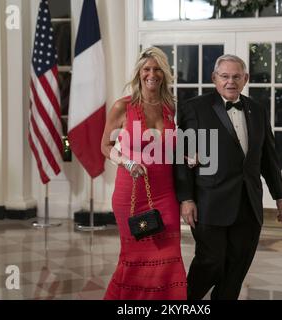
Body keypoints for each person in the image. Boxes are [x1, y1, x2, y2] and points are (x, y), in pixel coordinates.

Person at [174, 54, 282, 300]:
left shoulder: (257, 110)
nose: (230, 82)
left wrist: (280, 196)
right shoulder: (194, 108)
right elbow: (183, 159)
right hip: (209, 202)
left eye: (236, 76)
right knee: (211, 260)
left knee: (238, 266)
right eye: (225, 76)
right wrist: (186, 198)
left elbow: (268, 157)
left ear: (245, 79)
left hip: (248, 203)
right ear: (214, 78)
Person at [101, 47, 187, 300]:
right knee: (135, 257)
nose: (152, 74)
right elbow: (105, 145)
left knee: (169, 255)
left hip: (165, 192)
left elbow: (164, 147)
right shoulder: (123, 106)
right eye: (147, 69)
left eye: (157, 68)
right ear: (139, 74)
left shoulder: (170, 106)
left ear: (164, 74)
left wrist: (184, 157)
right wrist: (127, 163)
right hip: (131, 193)